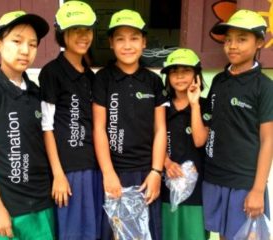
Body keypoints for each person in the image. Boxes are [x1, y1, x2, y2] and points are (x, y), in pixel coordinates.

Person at [0, 11, 54, 240]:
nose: (25, 50)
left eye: (33, 44)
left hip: (43, 202)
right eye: (17, 41)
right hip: (11, 210)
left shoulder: (36, 92)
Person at [92, 9, 168, 240]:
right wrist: (108, 173)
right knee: (115, 232)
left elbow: (161, 129)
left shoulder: (153, 81)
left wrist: (156, 171)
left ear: (144, 42)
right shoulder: (103, 79)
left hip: (146, 174)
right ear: (111, 43)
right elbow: (99, 128)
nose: (127, 45)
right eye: (120, 39)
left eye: (134, 38)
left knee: (145, 233)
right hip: (114, 172)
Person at [202, 9, 273, 240]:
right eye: (229, 39)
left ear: (259, 42)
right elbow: (208, 126)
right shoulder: (219, 81)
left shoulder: (264, 87)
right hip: (215, 176)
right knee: (223, 236)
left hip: (245, 182)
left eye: (242, 39)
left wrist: (258, 190)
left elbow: (268, 139)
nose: (232, 45)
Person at [39, 1, 102, 239]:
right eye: (75, 29)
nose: (83, 36)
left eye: (87, 29)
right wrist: (58, 174)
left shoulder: (90, 76)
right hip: (68, 172)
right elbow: (47, 127)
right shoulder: (52, 73)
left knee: (93, 232)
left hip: (93, 168)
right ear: (61, 34)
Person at [160, 48, 210, 240]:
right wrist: (166, 162)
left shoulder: (205, 105)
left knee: (193, 235)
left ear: (196, 75)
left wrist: (194, 104)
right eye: (174, 71)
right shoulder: (161, 105)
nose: (179, 76)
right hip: (166, 187)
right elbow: (153, 138)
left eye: (186, 71)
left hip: (197, 190)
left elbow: (199, 140)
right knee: (168, 233)